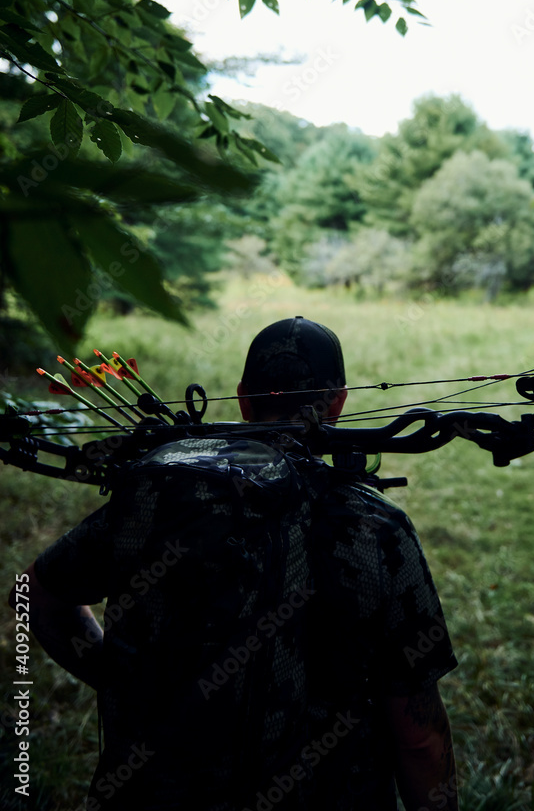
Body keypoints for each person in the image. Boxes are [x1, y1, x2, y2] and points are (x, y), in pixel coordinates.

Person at [11, 317, 459, 811]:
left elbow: (36, 594)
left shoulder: (160, 497)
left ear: (243, 398)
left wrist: (131, 685)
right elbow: (420, 739)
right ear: (338, 401)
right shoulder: (377, 526)